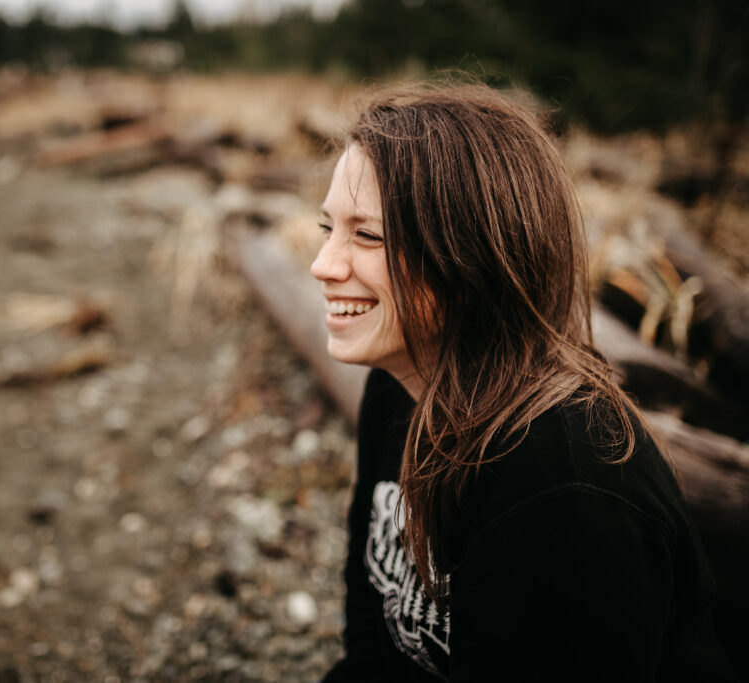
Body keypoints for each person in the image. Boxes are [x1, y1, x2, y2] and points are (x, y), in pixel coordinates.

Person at [311, 84, 738, 682]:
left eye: (368, 236)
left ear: (472, 256)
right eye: (328, 227)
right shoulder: (398, 381)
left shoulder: (572, 495)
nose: (323, 264)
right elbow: (373, 633)